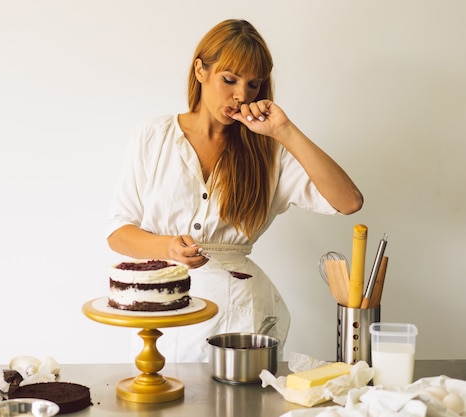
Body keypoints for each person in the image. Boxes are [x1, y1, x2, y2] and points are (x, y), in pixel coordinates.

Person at [105, 19, 363, 362]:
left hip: (242, 321)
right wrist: (167, 246)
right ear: (200, 71)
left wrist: (285, 131)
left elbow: (348, 202)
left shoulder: (268, 152)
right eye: (229, 80)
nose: (242, 95)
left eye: (254, 85)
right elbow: (118, 232)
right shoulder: (154, 136)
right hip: (161, 313)